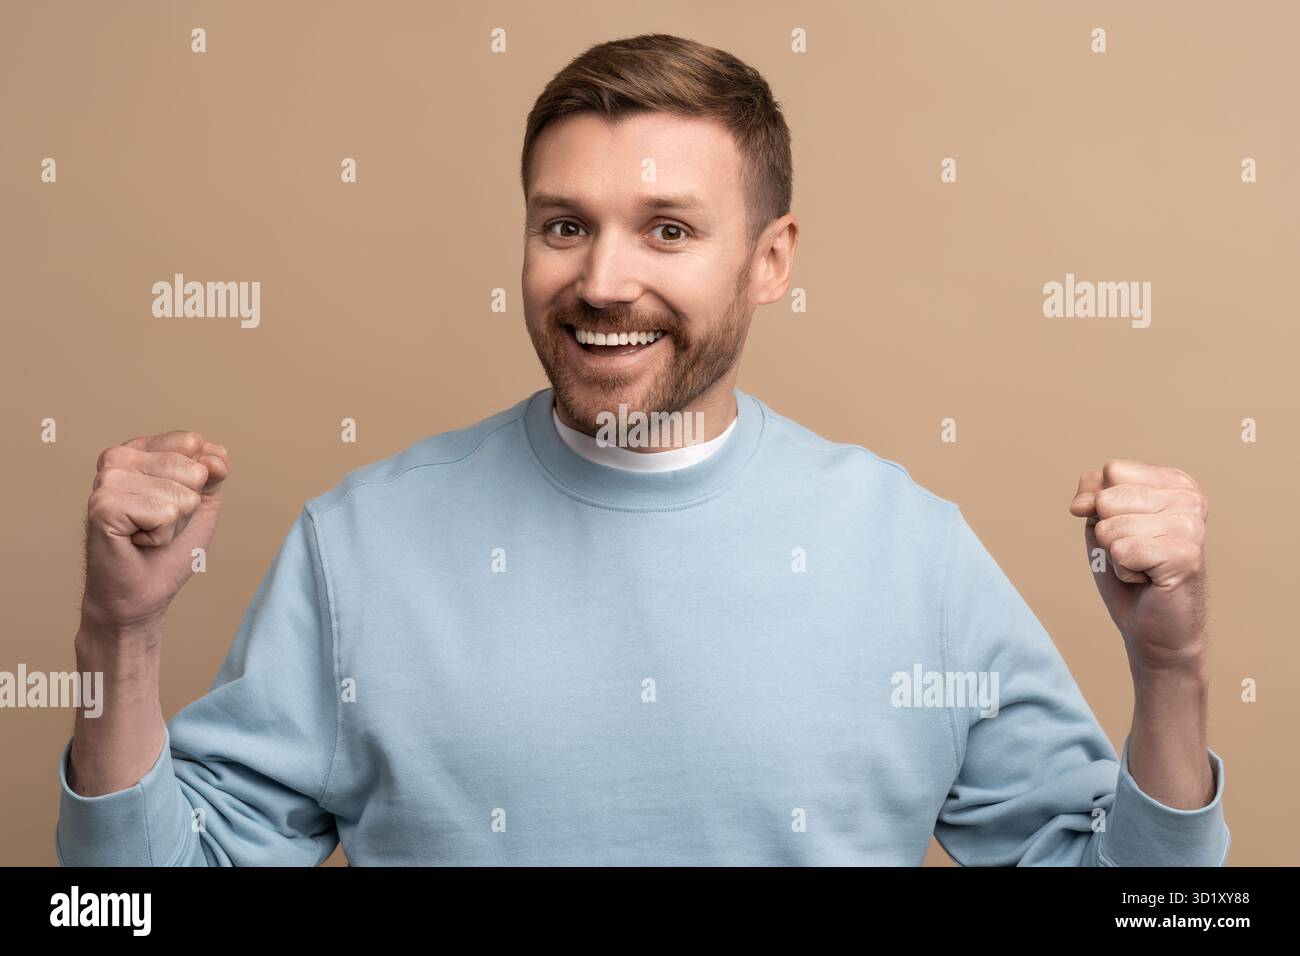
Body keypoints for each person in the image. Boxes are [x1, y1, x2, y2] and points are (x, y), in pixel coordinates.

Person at [57, 33, 1228, 866]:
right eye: (564, 225)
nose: (602, 280)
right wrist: (121, 634)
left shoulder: (909, 549)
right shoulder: (356, 543)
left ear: (770, 259)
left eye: (667, 230)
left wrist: (1171, 676)